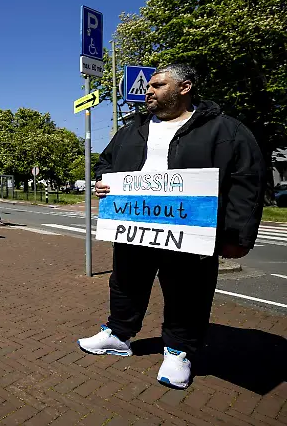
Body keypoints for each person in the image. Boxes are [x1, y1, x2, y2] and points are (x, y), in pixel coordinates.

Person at [77, 64, 266, 390]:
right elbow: (106, 162)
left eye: (158, 84)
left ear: (184, 87)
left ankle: (179, 351)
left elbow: (247, 182)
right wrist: (102, 182)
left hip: (190, 230)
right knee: (125, 281)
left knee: (187, 289)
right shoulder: (131, 129)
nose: (148, 90)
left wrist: (238, 235)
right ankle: (118, 335)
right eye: (149, 85)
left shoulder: (224, 130)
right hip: (134, 226)